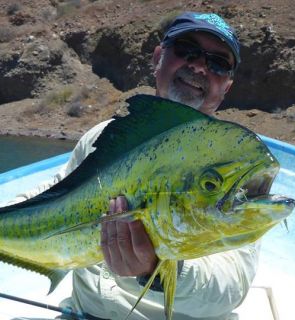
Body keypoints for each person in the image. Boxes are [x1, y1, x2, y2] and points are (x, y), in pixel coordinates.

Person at [11, 12, 260, 320]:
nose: (198, 66)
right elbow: (56, 193)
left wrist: (159, 269)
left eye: (218, 63)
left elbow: (229, 287)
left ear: (227, 88)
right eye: (186, 49)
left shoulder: (231, 168)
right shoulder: (102, 137)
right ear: (158, 57)